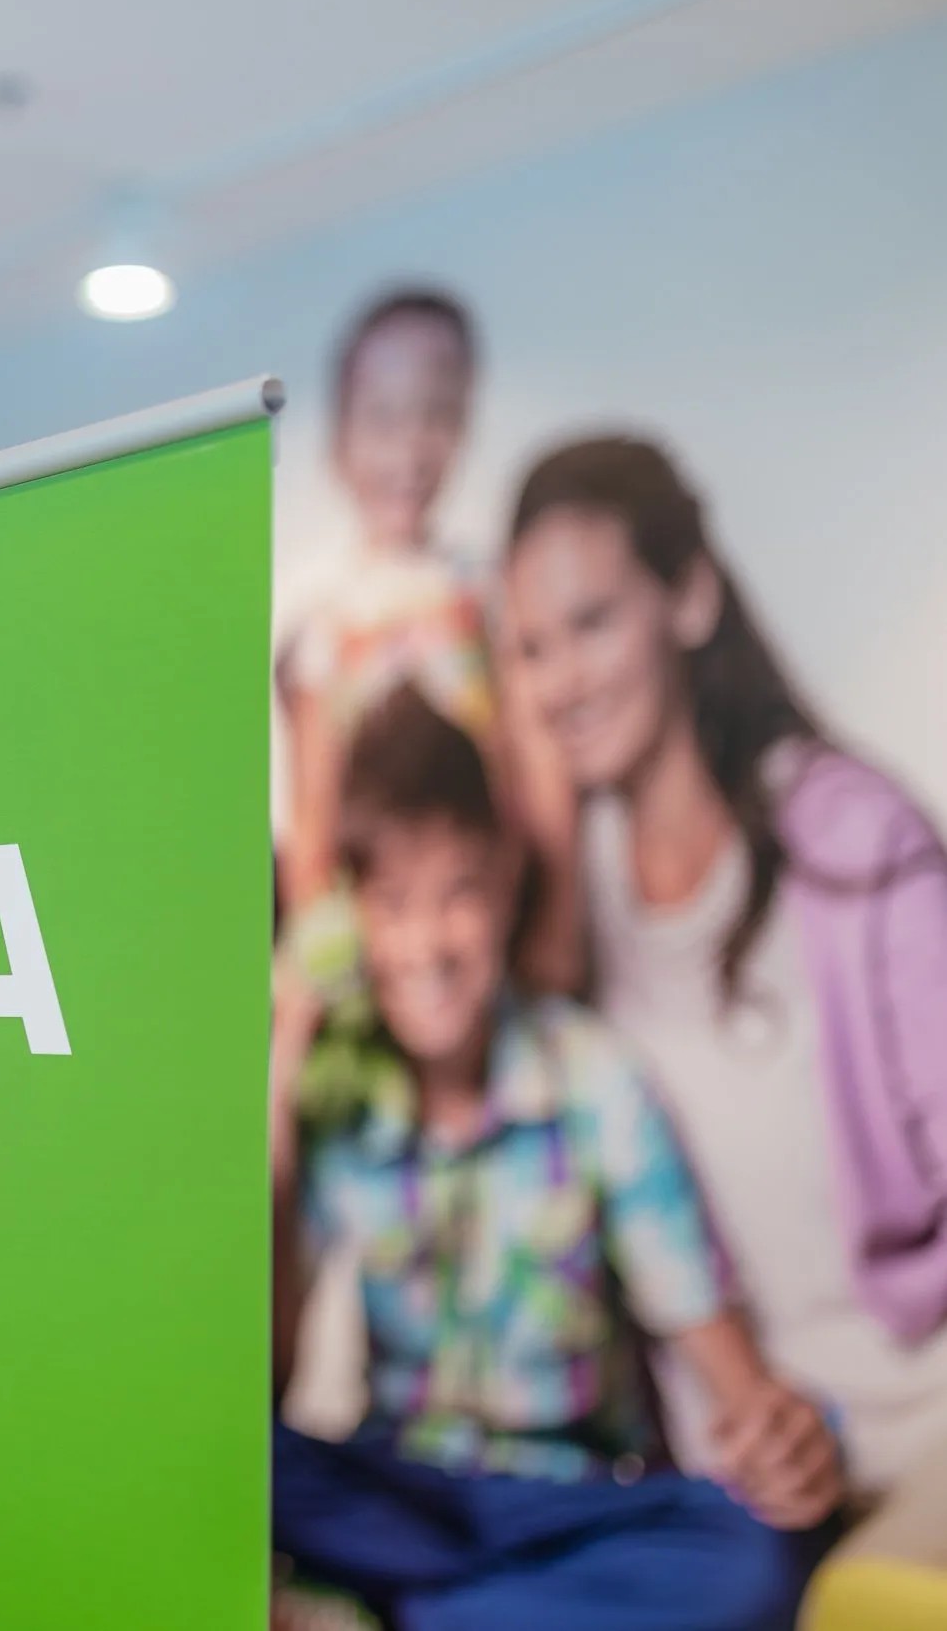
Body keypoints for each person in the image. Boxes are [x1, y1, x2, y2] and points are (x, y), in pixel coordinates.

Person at [271, 683, 835, 1631]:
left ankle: (425, 1614)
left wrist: (783, 1442)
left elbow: (729, 1369)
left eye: (457, 893)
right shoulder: (341, 1100)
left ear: (503, 881)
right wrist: (283, 1077)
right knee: (244, 1462)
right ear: (354, 917)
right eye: (393, 903)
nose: (425, 944)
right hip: (406, 1494)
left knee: (754, 1557)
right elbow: (270, 1382)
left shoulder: (594, 1080)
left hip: (574, 1500)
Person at [501, 434, 947, 1599]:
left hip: (921, 1426)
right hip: (736, 1483)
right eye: (531, 648)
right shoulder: (569, 912)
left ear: (690, 595)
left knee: (866, 1608)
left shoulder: (854, 843)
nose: (561, 681)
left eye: (592, 623)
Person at [276, 288, 496, 919]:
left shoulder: (487, 593)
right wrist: (317, 939)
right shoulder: (322, 620)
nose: (411, 447)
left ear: (464, 424)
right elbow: (312, 812)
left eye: (437, 414)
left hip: (477, 916)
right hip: (369, 930)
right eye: (383, 418)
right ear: (339, 439)